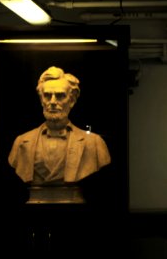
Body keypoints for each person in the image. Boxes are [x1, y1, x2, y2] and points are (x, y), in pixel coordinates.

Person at [8, 66, 111, 202]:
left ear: (72, 100)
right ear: (41, 100)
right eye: (47, 95)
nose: (52, 102)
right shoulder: (21, 142)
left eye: (60, 95)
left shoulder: (94, 143)